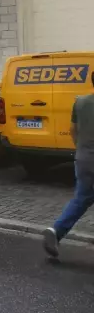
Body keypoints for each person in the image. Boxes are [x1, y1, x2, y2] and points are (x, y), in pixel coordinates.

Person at [43, 73, 94, 257]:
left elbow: (72, 130)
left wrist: (81, 149)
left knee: (82, 198)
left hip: (83, 158)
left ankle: (56, 231)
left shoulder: (79, 102)